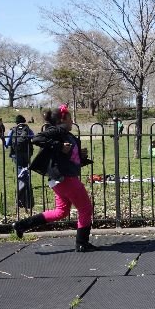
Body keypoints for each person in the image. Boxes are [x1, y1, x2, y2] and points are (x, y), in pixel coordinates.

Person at [13, 105, 97, 252]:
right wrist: (58, 145)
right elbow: (37, 139)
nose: (72, 121)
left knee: (61, 212)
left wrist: (80, 155)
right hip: (67, 178)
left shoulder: (66, 133)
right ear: (63, 119)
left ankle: (22, 225)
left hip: (59, 180)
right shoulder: (57, 131)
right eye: (70, 118)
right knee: (85, 209)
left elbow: (66, 155)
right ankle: (82, 243)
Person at [5, 115, 35, 210]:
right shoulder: (28, 129)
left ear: (16, 122)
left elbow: (7, 143)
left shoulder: (13, 130)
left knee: (20, 173)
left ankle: (21, 196)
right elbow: (33, 138)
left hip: (16, 154)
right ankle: (27, 194)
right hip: (27, 153)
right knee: (26, 170)